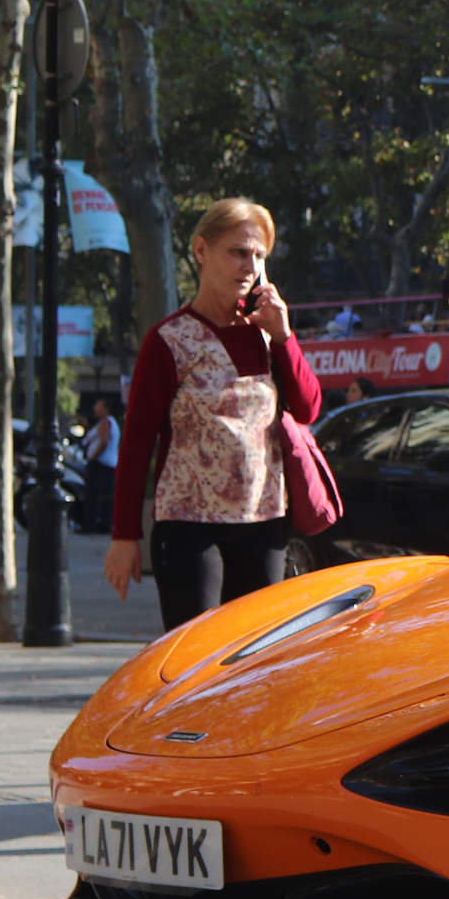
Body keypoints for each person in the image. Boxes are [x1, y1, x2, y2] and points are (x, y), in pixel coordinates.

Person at [106, 198, 323, 631]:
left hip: (264, 523)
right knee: (195, 661)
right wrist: (124, 536)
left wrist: (285, 337)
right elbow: (136, 442)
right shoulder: (167, 340)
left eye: (259, 255)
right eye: (238, 251)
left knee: (254, 661)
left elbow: (308, 407)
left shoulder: (267, 333)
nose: (250, 265)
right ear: (201, 251)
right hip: (188, 526)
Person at [79, 396, 120, 534]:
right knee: (106, 497)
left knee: (93, 497)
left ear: (106, 409)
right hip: (108, 464)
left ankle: (90, 525)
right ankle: (104, 524)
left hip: (101, 464)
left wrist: (93, 457)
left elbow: (104, 441)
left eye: (98, 406)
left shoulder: (105, 423)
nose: (95, 409)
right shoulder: (109, 423)